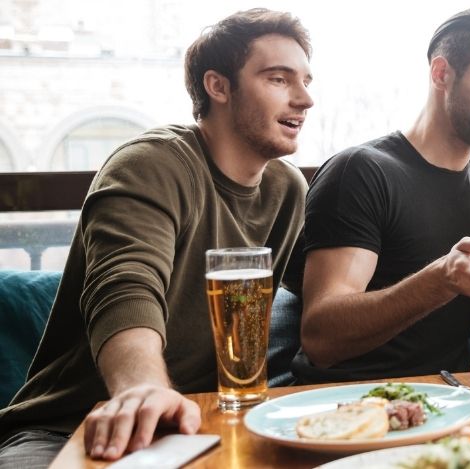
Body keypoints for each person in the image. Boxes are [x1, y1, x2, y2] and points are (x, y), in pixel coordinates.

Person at [0, 9, 313, 466]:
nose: (305, 99)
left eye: (306, 80)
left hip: (206, 424)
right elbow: (125, 284)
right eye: (279, 79)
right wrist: (142, 389)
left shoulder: (287, 189)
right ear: (218, 86)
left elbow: (325, 305)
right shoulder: (151, 164)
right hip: (75, 426)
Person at [287, 7, 470, 383]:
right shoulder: (361, 172)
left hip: (454, 396)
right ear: (441, 73)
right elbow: (321, 337)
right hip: (350, 404)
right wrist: (440, 281)